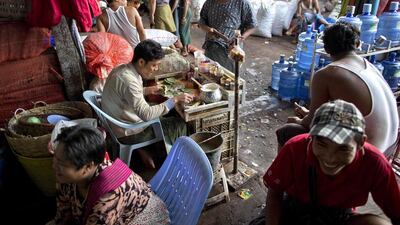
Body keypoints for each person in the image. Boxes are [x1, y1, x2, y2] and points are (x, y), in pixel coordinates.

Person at [262, 100, 400, 225]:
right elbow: (275, 193)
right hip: (295, 207)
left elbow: (395, 209)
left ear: (360, 143)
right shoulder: (294, 148)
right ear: (311, 138)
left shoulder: (375, 163)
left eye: (343, 148)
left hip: (339, 215)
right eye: (322, 144)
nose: (330, 158)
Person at [276, 22, 399, 156]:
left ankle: (286, 176)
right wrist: (309, 114)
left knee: (288, 131)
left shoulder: (327, 74)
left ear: (326, 49)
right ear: (357, 44)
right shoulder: (369, 66)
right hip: (390, 145)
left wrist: (300, 120)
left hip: (366, 153)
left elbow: (311, 123)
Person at [48, 125, 170, 225]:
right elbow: (63, 214)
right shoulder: (66, 177)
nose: (54, 166)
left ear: (88, 167)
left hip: (146, 217)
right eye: (55, 159)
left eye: (62, 164)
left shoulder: (107, 197)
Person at [101, 39, 193, 168]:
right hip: (128, 132)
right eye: (154, 65)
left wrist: (148, 90)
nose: (155, 69)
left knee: (166, 109)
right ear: (141, 62)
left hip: (117, 121)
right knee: (179, 123)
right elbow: (146, 114)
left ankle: (153, 149)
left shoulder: (121, 70)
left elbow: (127, 93)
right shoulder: (130, 81)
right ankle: (170, 162)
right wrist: (174, 100)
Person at [198, 0, 256, 72]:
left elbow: (252, 25)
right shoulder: (209, 2)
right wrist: (208, 29)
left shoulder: (242, 2)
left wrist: (240, 40)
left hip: (231, 51)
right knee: (211, 75)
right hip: (211, 49)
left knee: (229, 78)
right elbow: (201, 22)